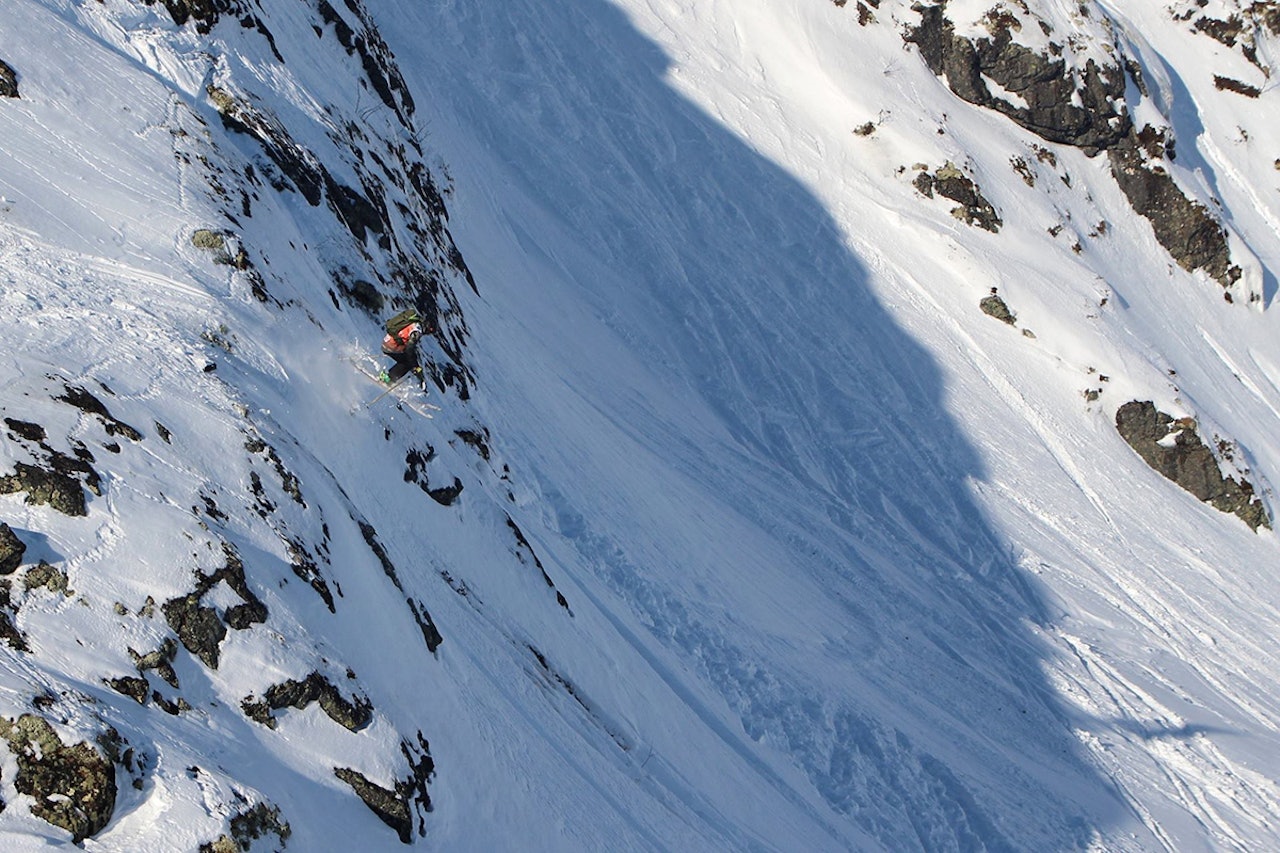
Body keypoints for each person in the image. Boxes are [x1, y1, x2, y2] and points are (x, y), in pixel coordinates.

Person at [380, 309, 427, 384]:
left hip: (386, 342)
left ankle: (389, 377)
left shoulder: (413, 322)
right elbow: (409, 349)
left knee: (407, 360)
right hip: (392, 346)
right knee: (408, 362)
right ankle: (388, 379)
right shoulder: (417, 331)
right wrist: (415, 366)